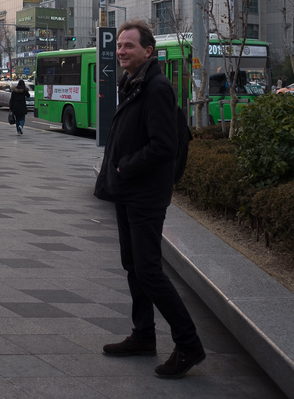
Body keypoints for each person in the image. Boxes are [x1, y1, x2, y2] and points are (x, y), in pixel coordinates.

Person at [94, 19, 205, 380]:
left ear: (148, 51)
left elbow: (163, 146)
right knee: (134, 266)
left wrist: (125, 167)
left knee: (150, 271)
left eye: (129, 46)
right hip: (128, 193)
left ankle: (188, 344)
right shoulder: (134, 84)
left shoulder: (156, 87)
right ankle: (143, 335)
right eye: (120, 46)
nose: (121, 51)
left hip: (144, 195)